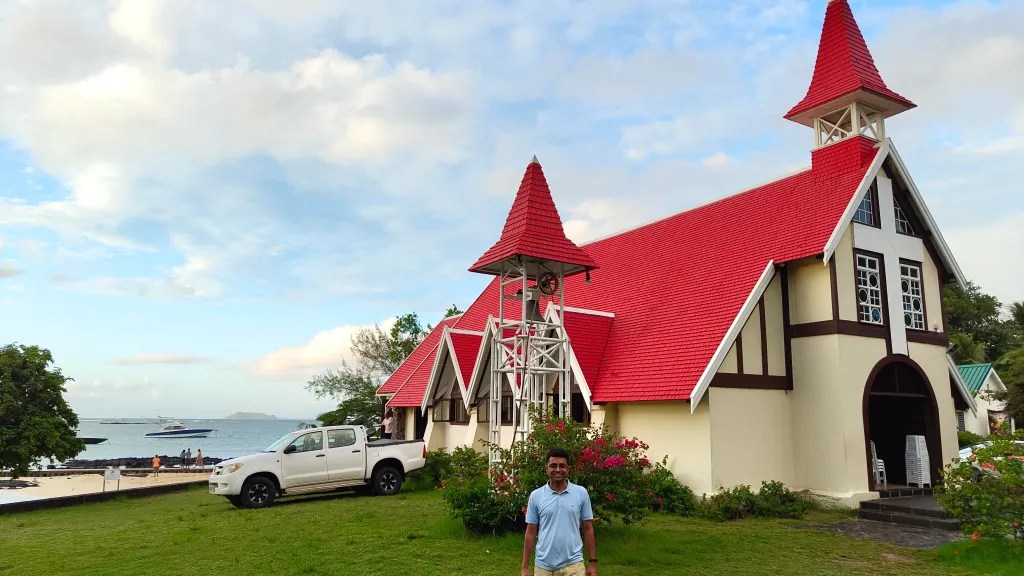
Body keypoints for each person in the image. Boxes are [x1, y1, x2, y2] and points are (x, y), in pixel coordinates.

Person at [521, 448, 597, 576]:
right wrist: (524, 568)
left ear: (568, 469)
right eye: (553, 466)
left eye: (562, 466)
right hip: (543, 566)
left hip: (574, 565)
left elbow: (588, 528)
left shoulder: (581, 493)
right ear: (547, 469)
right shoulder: (536, 496)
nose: (557, 469)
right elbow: (530, 532)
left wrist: (593, 563)